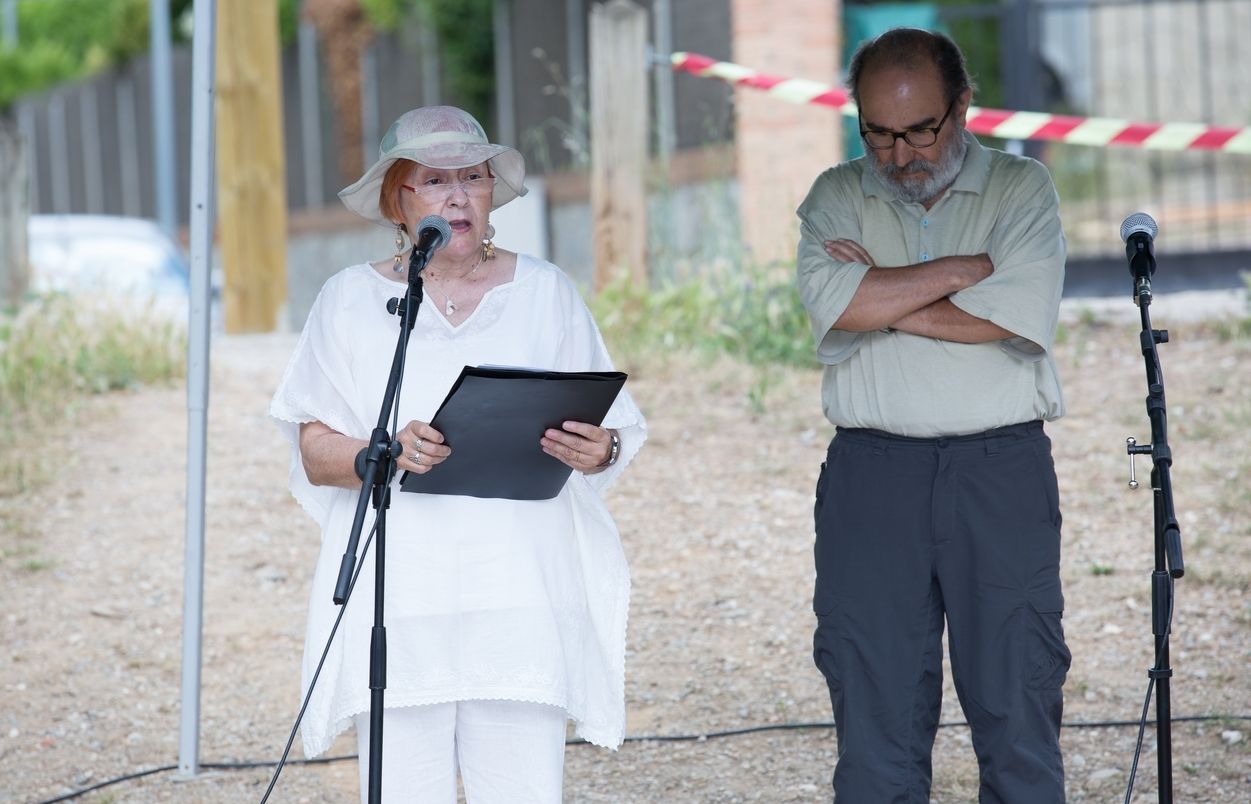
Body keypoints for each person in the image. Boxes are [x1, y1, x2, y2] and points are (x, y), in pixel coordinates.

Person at [270, 105, 647, 803]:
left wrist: (600, 449)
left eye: (472, 177)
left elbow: (615, 430)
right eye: (434, 180)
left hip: (519, 598)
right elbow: (314, 450)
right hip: (401, 602)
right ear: (397, 200)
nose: (456, 195)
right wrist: (378, 451)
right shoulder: (348, 301)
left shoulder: (545, 294)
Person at [795, 28, 1070, 803]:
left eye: (921, 130)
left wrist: (877, 295)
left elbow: (1014, 319)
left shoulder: (1021, 190)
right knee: (872, 705)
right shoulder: (833, 196)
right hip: (872, 475)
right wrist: (961, 274)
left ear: (962, 107)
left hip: (999, 470)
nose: (901, 154)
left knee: (1016, 698)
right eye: (877, 133)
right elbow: (836, 309)